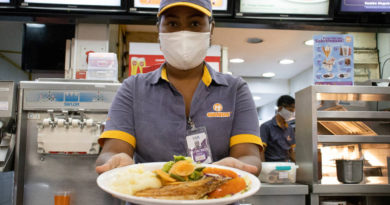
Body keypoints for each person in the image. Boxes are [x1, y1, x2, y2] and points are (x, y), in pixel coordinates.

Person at [95, 0, 263, 176]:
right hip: (148, 199)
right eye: (173, 23)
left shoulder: (235, 90)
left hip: (217, 197)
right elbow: (111, 152)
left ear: (211, 29)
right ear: (158, 29)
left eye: (195, 23)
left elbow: (248, 156)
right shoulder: (133, 88)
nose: (184, 33)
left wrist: (239, 167)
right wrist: (113, 162)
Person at [260, 95, 296, 162]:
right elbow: (261, 151)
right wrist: (263, 168)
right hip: (270, 165)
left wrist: (297, 166)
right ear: (280, 108)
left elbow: (291, 151)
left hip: (285, 165)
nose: (292, 113)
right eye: (290, 110)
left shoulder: (289, 128)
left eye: (293, 111)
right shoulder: (266, 127)